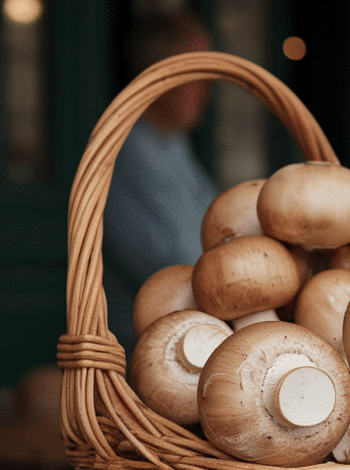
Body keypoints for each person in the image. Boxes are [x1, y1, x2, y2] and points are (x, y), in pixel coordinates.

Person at [102, 10, 217, 352]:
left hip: (193, 332)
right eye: (196, 77)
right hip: (143, 346)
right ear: (163, 75)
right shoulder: (127, 150)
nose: (205, 92)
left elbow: (217, 230)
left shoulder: (174, 144)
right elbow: (173, 264)